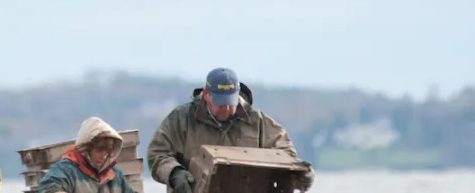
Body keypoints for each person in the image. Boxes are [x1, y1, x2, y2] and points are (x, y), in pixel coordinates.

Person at [146, 68, 316, 193]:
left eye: (230, 102)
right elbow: (157, 154)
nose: (226, 108)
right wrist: (175, 173)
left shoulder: (259, 123)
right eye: (220, 103)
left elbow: (287, 156)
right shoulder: (181, 119)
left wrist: (301, 174)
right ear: (206, 95)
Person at [36, 116, 140, 193]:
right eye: (100, 149)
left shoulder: (115, 175)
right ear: (87, 148)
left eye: (108, 150)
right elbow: (48, 187)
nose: (104, 155)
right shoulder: (66, 170)